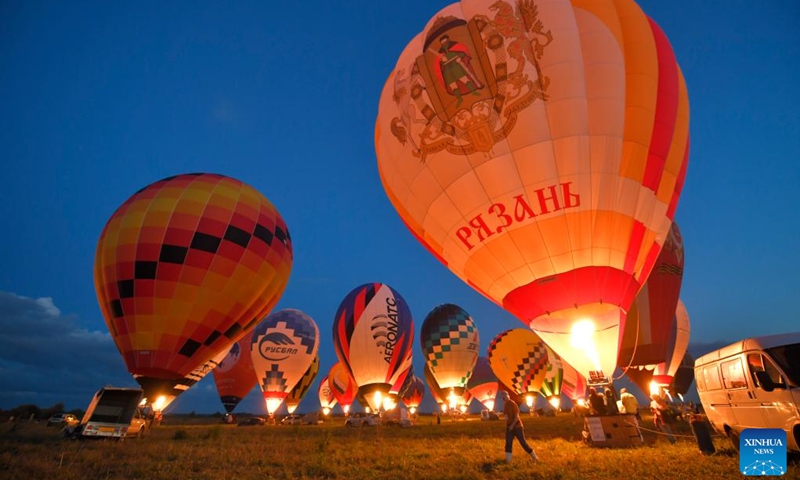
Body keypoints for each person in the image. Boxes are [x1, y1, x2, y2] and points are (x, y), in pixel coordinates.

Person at [499, 391, 539, 463]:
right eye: (502, 397)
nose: (503, 398)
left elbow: (516, 416)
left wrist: (512, 425)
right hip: (509, 427)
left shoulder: (513, 404)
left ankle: (534, 456)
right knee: (508, 443)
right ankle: (508, 460)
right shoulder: (505, 405)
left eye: (504, 396)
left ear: (508, 396)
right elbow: (506, 416)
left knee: (523, 443)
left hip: (517, 427)